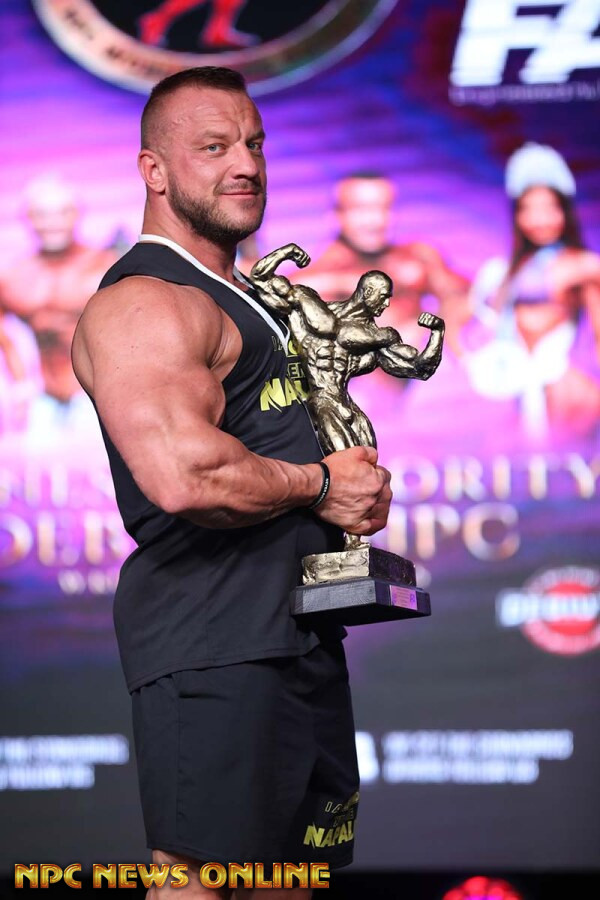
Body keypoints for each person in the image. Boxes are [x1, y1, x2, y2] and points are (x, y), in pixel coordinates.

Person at [71, 67, 392, 898]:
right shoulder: (147, 301)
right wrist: (319, 485)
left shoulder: (249, 299)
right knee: (196, 883)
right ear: (154, 170)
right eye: (213, 147)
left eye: (254, 144)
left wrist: (347, 489)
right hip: (214, 639)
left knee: (287, 881)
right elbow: (183, 475)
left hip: (295, 635)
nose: (244, 164)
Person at [465, 143, 600, 442]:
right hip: (513, 384)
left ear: (564, 211)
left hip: (564, 383)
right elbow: (480, 326)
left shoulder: (584, 265)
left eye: (549, 208)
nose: (540, 220)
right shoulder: (505, 270)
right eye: (529, 209)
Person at [0, 174, 118, 439]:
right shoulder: (14, 278)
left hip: (98, 395)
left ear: (77, 214)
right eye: (42, 214)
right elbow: (5, 336)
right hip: (43, 398)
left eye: (62, 213)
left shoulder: (106, 267)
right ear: (28, 218)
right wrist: (19, 381)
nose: (52, 223)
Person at [298, 172, 468, 355]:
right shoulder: (314, 281)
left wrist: (439, 326)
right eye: (361, 210)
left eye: (384, 208)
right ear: (336, 215)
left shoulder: (418, 257)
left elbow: (466, 298)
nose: (375, 221)